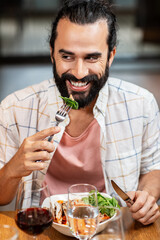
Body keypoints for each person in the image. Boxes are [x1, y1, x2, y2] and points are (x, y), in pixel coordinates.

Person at [0, 0, 160, 225]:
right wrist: (13, 168)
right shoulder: (14, 108)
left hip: (114, 228)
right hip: (43, 227)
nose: (78, 73)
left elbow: (153, 168)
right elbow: (2, 197)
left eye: (92, 58)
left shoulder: (141, 104)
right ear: (52, 54)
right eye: (67, 57)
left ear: (111, 55)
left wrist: (146, 197)